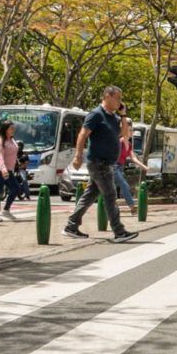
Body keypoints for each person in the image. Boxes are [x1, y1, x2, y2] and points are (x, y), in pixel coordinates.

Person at [64, 86, 139, 243]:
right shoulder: (96, 114)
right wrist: (78, 156)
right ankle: (119, 232)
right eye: (117, 98)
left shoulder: (112, 117)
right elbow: (83, 134)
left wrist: (123, 115)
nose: (120, 102)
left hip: (107, 163)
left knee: (90, 195)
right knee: (110, 195)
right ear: (107, 96)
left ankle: (71, 226)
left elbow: (124, 134)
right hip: (99, 162)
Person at [116, 115, 149, 215]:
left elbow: (133, 158)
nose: (131, 132)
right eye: (130, 130)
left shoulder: (129, 145)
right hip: (113, 167)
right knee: (124, 185)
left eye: (132, 130)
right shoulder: (119, 142)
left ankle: (111, 211)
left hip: (120, 168)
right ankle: (132, 207)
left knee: (111, 191)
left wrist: (144, 167)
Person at [0, 120, 20, 220]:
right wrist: (3, 169)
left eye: (13, 127)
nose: (13, 129)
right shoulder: (0, 141)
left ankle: (6, 210)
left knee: (16, 188)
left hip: (8, 170)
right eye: (11, 128)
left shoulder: (11, 139)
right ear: (5, 129)